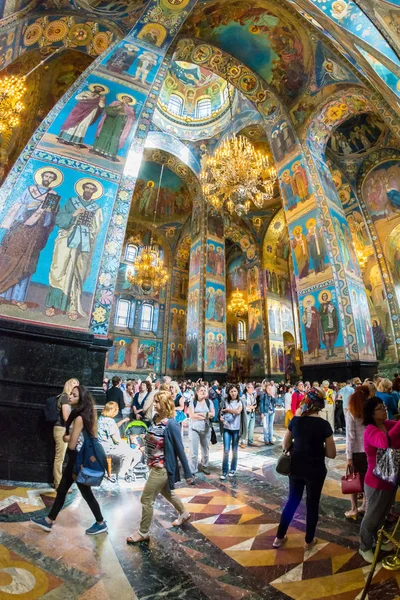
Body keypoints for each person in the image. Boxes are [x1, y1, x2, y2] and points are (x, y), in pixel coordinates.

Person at [31, 385, 107, 535]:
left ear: (81, 400)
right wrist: (70, 436)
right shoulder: (85, 415)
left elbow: (71, 444)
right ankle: (49, 521)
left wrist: (66, 437)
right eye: (71, 394)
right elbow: (77, 437)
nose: (70, 397)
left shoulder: (79, 417)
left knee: (85, 493)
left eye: (74, 395)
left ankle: (101, 522)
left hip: (77, 461)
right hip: (77, 460)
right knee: (63, 491)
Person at [273, 388, 336, 550]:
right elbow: (332, 453)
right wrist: (317, 448)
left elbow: (285, 445)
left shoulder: (295, 421)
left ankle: (279, 537)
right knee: (312, 504)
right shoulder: (324, 425)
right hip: (316, 469)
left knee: (292, 500)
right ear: (320, 405)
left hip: (296, 466)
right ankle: (309, 541)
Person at [126, 391, 193, 543]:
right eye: (155, 401)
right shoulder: (155, 419)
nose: (154, 404)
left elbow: (180, 449)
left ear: (166, 404)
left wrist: (188, 474)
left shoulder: (171, 424)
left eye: (157, 402)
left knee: (146, 499)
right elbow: (153, 439)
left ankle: (143, 533)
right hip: (153, 464)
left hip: (162, 468)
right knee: (167, 492)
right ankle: (183, 513)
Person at [359, 396, 400, 563]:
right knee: (372, 516)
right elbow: (385, 442)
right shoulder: (370, 430)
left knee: (383, 514)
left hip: (390, 478)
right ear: (371, 414)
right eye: (380, 408)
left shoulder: (387, 425)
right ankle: (364, 546)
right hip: (376, 482)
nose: (384, 410)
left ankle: (379, 539)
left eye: (384, 406)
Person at [345, 386, 369, 519]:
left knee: (352, 480)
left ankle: (354, 508)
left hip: (356, 452)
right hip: (369, 451)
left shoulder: (351, 412)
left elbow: (350, 436)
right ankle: (365, 505)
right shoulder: (370, 412)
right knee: (367, 480)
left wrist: (349, 457)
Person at [52, 377, 79, 490]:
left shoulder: (70, 399)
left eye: (77, 383)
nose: (76, 385)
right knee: (60, 457)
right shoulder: (64, 397)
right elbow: (66, 416)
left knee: (70, 457)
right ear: (68, 384)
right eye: (73, 382)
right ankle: (58, 483)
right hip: (62, 429)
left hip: (67, 430)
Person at [97, 402, 135, 480]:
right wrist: (124, 443)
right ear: (113, 410)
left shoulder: (101, 418)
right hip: (108, 448)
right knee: (129, 452)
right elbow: (116, 440)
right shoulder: (110, 421)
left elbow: (113, 427)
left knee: (125, 448)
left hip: (100, 446)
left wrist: (123, 421)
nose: (118, 411)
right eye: (117, 409)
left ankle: (121, 470)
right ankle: (122, 473)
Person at [188, 384, 215, 476]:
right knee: (193, 451)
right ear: (197, 392)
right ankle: (193, 469)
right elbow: (192, 416)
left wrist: (199, 414)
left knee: (205, 449)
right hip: (194, 428)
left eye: (205, 390)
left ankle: (205, 465)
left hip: (206, 429)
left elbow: (213, 414)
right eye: (201, 390)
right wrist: (206, 415)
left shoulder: (209, 402)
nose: (203, 392)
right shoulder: (193, 402)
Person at [219, 384, 243, 480]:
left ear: (237, 392)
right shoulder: (225, 401)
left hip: (236, 429)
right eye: (232, 391)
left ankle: (233, 469)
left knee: (235, 450)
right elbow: (221, 412)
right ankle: (224, 471)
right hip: (227, 428)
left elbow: (238, 411)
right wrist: (221, 417)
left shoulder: (241, 401)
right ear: (228, 392)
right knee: (226, 450)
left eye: (235, 391)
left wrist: (228, 410)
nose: (233, 393)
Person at [240, 383, 257, 448]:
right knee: (245, 427)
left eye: (253, 388)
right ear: (247, 388)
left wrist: (254, 406)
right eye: (251, 388)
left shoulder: (253, 395)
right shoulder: (244, 396)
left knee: (252, 428)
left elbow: (255, 403)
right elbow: (244, 406)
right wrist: (251, 407)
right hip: (246, 413)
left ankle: (250, 441)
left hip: (252, 413)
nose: (252, 389)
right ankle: (243, 441)